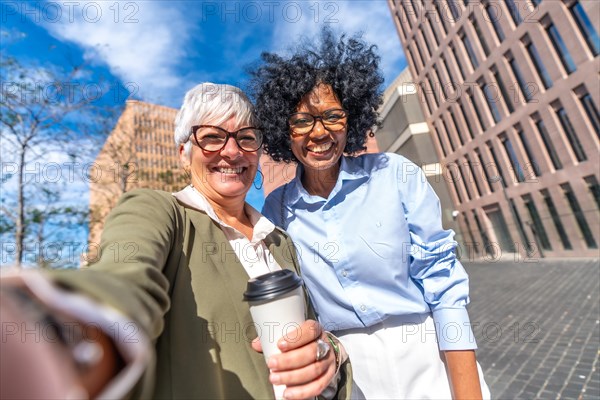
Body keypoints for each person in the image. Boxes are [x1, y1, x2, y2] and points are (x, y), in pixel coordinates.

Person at [0, 83, 352, 400]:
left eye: (246, 137)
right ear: (184, 153)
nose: (232, 151)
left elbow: (315, 330)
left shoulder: (280, 240)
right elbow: (125, 279)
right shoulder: (158, 211)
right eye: (212, 137)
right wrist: (57, 327)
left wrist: (326, 357)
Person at [249, 30, 491, 399]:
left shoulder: (395, 174)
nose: (319, 132)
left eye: (332, 116)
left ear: (351, 117)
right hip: (347, 372)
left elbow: (445, 288)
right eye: (302, 121)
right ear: (284, 129)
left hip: (428, 358)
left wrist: (467, 393)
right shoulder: (276, 208)